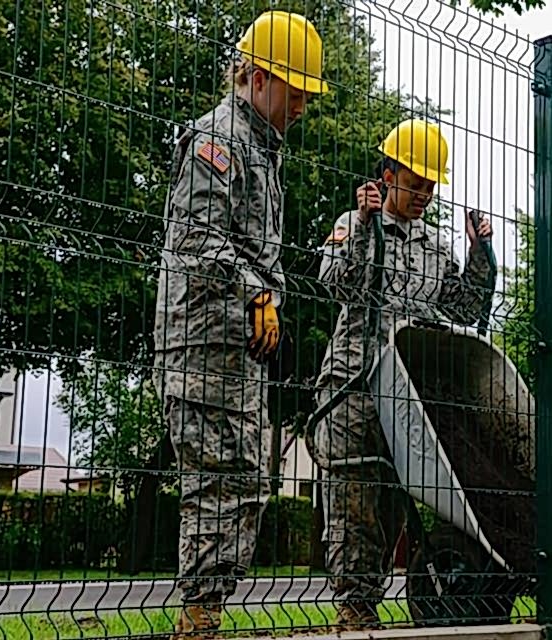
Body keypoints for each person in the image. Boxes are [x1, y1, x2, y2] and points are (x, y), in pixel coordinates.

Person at [152, 11, 328, 639]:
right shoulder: (217, 142)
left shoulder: (262, 150)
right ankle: (198, 620)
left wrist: (263, 298)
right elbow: (197, 235)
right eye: (297, 88)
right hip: (201, 342)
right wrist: (257, 292)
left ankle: (208, 614)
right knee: (215, 482)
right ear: (258, 78)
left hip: (237, 349)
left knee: (249, 480)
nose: (305, 102)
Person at [312, 119, 496, 628]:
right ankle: (354, 610)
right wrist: (366, 231)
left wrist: (479, 256)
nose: (425, 194)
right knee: (354, 502)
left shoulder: (436, 247)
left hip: (409, 390)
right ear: (389, 174)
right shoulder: (355, 222)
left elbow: (461, 308)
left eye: (431, 186)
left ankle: (371, 603)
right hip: (353, 385)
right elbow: (335, 283)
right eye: (416, 183)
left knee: (394, 499)